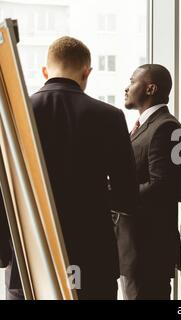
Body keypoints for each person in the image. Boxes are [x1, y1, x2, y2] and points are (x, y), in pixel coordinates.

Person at [31, 36, 138, 299]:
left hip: (33, 250)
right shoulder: (110, 116)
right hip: (92, 253)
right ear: (86, 72)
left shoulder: (19, 115)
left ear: (45, 71)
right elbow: (127, 198)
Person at [120, 64, 181, 300]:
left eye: (132, 80)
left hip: (148, 249)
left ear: (150, 88)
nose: (126, 87)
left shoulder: (165, 127)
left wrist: (115, 196)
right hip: (136, 247)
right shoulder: (148, 126)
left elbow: (162, 187)